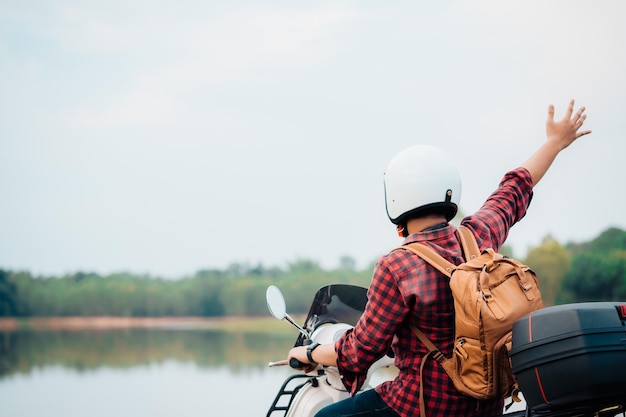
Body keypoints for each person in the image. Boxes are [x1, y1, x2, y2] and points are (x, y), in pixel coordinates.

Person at [288, 100, 592, 417]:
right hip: (485, 408)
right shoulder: (478, 236)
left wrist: (311, 352)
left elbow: (360, 351)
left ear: (395, 197)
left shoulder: (397, 265)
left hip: (422, 408)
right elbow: (513, 189)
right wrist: (555, 142)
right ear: (450, 192)